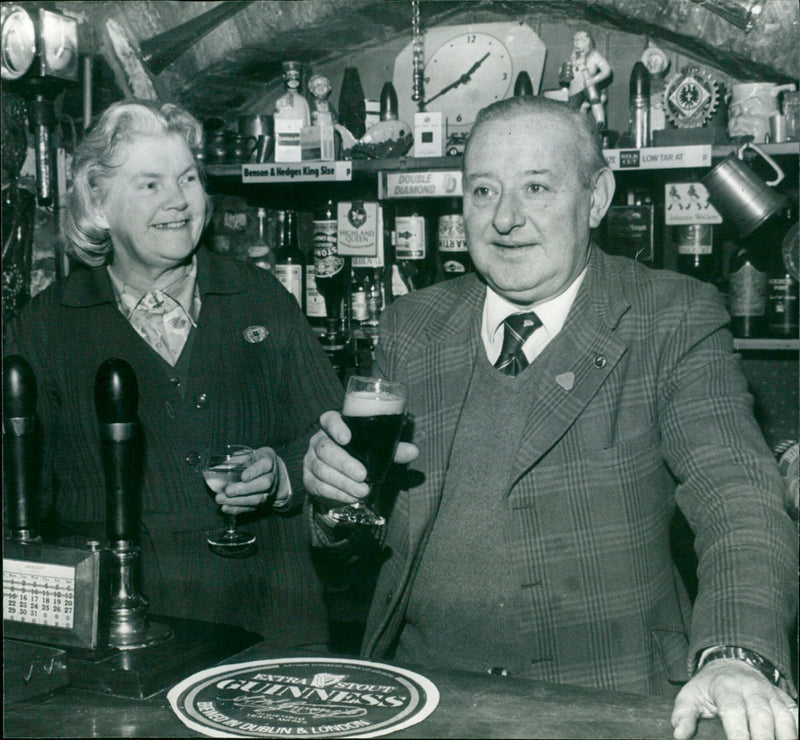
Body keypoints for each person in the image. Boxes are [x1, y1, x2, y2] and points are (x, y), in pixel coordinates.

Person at [303, 96, 798, 739]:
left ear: (596, 199)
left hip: (603, 704)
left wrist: (737, 655)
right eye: (484, 190)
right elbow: (354, 550)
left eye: (536, 186)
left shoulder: (670, 316)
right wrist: (332, 502)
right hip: (423, 701)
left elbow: (739, 497)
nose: (505, 218)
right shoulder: (411, 324)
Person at [5, 100, 343, 648]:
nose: (180, 201)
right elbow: (18, 504)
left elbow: (331, 441)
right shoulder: (43, 329)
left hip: (272, 625)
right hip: (125, 634)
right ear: (98, 201)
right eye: (151, 185)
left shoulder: (261, 299)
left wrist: (283, 475)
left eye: (188, 178)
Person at [559, 30, 612, 128]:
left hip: (588, 84)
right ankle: (578, 128)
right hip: (575, 88)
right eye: (575, 39)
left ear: (587, 41)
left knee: (594, 99)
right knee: (573, 110)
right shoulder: (572, 57)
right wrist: (563, 71)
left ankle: (600, 122)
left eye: (579, 39)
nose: (576, 41)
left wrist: (594, 79)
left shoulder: (594, 55)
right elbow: (564, 72)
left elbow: (607, 70)